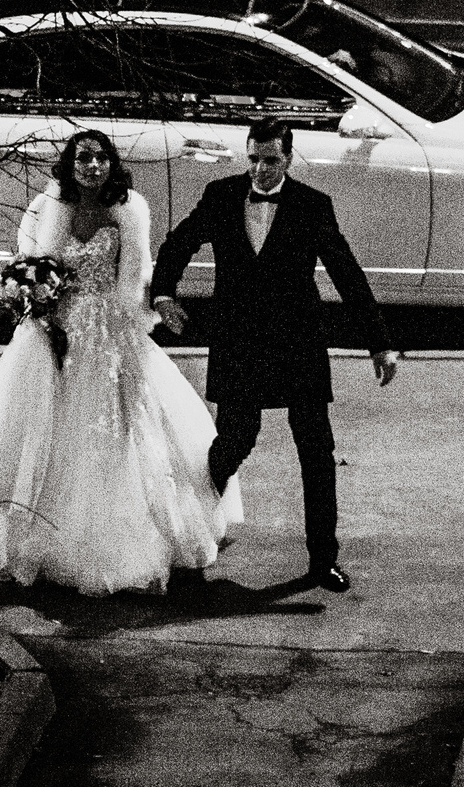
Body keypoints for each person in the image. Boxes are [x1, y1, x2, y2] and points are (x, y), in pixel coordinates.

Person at [0, 130, 241, 596]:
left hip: (108, 326)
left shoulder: (130, 209)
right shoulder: (52, 206)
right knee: (34, 423)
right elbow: (38, 263)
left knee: (114, 427)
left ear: (111, 165)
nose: (92, 166)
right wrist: (38, 310)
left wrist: (141, 323)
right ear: (70, 164)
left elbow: (134, 276)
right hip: (55, 324)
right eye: (83, 158)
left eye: (100, 158)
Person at [148, 116, 397, 595]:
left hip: (297, 342)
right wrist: (163, 295)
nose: (260, 170)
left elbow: (346, 273)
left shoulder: (311, 204)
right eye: (254, 159)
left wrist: (379, 343)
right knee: (236, 440)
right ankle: (191, 533)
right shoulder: (221, 195)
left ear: (288, 158)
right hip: (239, 341)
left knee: (316, 453)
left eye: (271, 161)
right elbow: (178, 242)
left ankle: (323, 561)